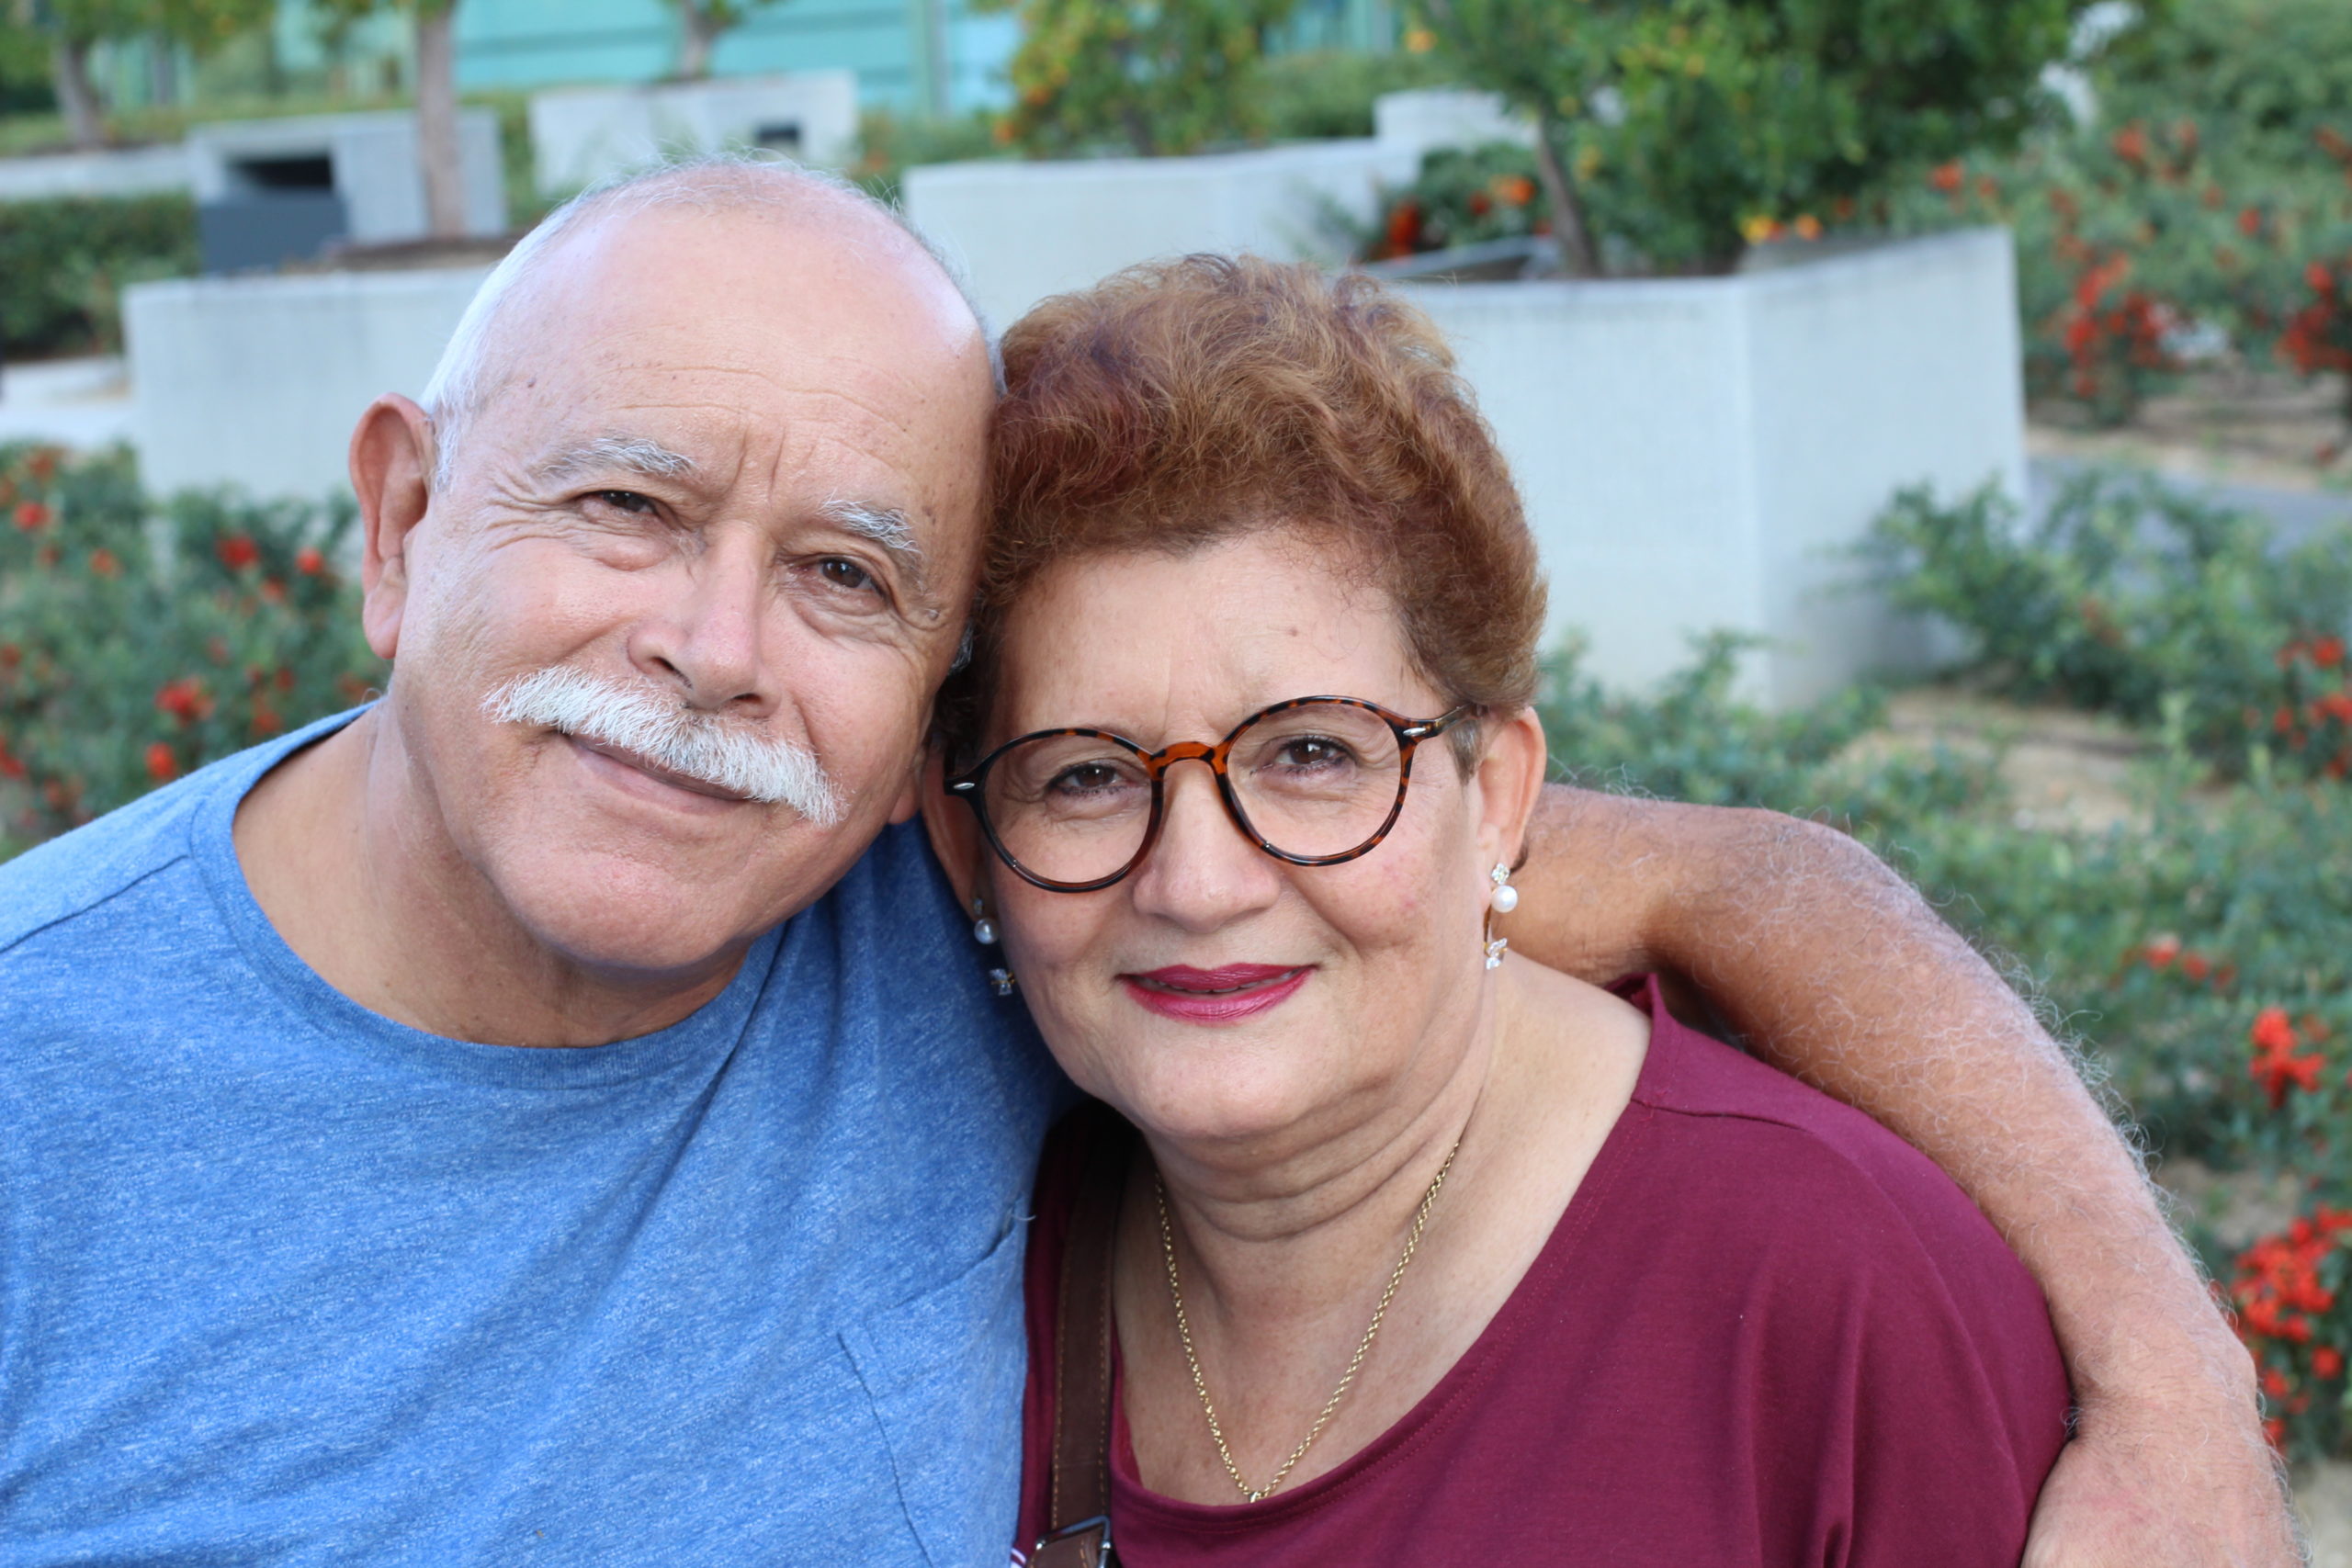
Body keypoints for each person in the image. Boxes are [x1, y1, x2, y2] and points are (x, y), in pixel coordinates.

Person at [0, 159, 2292, 1566]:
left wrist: (2175, 1386)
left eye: (844, 576)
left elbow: (1740, 879)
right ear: (399, 521)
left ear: (924, 740)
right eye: (622, 504)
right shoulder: (43, 1080)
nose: (709, 653)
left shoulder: (945, 884)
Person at [933, 254, 2072, 1564]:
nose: (1196, 884)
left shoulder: (1836, 1285)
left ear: (1499, 796)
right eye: (1083, 775)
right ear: (974, 843)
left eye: (1312, 754)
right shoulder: (991, 1248)